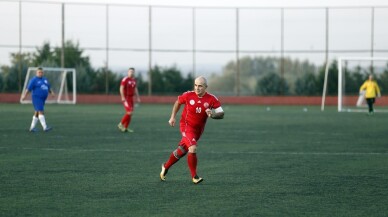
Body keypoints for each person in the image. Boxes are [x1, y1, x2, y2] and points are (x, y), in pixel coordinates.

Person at [160, 76, 225, 184]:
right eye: (195, 85)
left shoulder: (211, 98)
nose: (197, 88)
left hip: (198, 130)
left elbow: (221, 114)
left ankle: (165, 166)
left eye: (200, 86)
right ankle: (194, 176)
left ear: (206, 87)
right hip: (186, 126)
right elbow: (178, 102)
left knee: (182, 150)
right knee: (193, 148)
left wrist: (212, 115)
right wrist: (172, 117)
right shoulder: (188, 95)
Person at [21, 67, 54, 132]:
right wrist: (24, 96)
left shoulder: (45, 79)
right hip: (36, 98)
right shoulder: (34, 80)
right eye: (39, 72)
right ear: (36, 73)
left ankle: (32, 128)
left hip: (43, 99)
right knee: (41, 111)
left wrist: (52, 92)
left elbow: (48, 87)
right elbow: (28, 89)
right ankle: (45, 127)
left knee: (36, 113)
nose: (40, 73)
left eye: (41, 72)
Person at [117, 67, 141, 133]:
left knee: (131, 113)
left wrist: (138, 97)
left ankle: (125, 128)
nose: (131, 72)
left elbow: (135, 89)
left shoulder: (133, 80)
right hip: (126, 98)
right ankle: (121, 124)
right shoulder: (125, 79)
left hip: (131, 98)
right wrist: (122, 97)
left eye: (132, 72)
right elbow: (121, 88)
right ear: (128, 72)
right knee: (129, 112)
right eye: (130, 71)